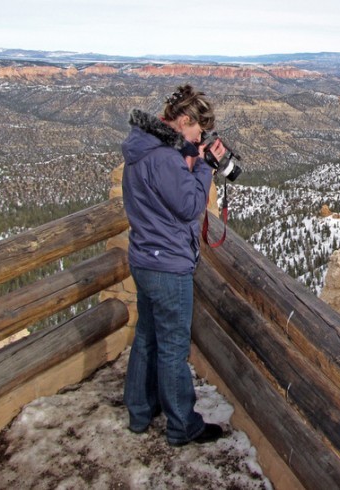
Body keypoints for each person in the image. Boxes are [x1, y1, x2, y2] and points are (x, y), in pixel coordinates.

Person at [120, 84, 226, 446]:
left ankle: (140, 411)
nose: (198, 138)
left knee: (147, 337)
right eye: (197, 131)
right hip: (167, 265)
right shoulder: (163, 158)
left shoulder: (143, 146)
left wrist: (190, 156)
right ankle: (183, 425)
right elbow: (190, 206)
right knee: (172, 348)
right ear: (183, 120)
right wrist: (206, 166)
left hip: (144, 258)